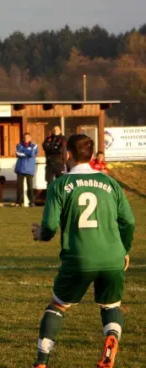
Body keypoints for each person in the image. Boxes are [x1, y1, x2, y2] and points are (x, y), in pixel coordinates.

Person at [30, 134, 135, 368]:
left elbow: (49, 226)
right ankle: (112, 340)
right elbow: (128, 222)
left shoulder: (59, 185)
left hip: (79, 258)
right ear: (91, 155)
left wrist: (41, 235)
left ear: (67, 155)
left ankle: (41, 361)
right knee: (111, 306)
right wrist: (124, 250)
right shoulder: (110, 183)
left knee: (57, 305)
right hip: (113, 257)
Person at [14, 133, 38, 207]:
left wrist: (23, 152)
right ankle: (19, 202)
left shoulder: (34, 145)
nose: (26, 138)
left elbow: (32, 154)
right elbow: (17, 153)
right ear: (23, 138)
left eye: (27, 137)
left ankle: (31, 202)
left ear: (30, 138)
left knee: (30, 187)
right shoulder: (19, 145)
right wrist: (27, 152)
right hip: (20, 168)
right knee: (19, 186)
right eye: (25, 137)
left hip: (29, 169)